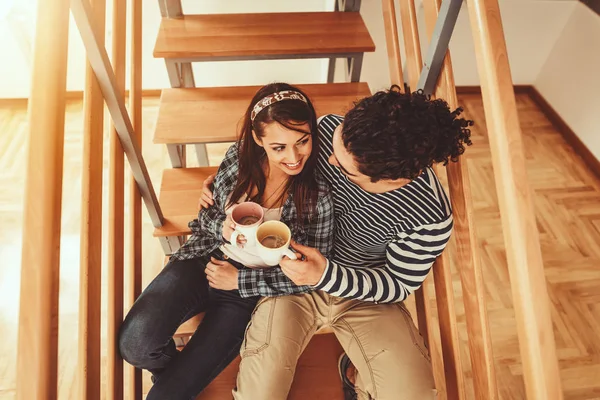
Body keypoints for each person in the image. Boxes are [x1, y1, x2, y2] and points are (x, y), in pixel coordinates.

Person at [199, 85, 473, 399]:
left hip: (363, 293)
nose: (328, 160)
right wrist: (223, 182)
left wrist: (325, 275)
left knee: (413, 394)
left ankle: (355, 370)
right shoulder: (330, 129)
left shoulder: (429, 216)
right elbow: (270, 149)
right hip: (288, 280)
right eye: (335, 145)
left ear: (391, 181)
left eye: (344, 168)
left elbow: (397, 284)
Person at [118, 82, 335, 400]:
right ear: (259, 139)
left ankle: (181, 378)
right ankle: (177, 371)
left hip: (249, 292)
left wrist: (240, 280)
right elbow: (202, 220)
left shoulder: (318, 195)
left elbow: (310, 276)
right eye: (279, 147)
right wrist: (223, 228)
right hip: (205, 257)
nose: (293, 157)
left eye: (303, 141)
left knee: (164, 396)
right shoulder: (238, 160)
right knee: (135, 346)